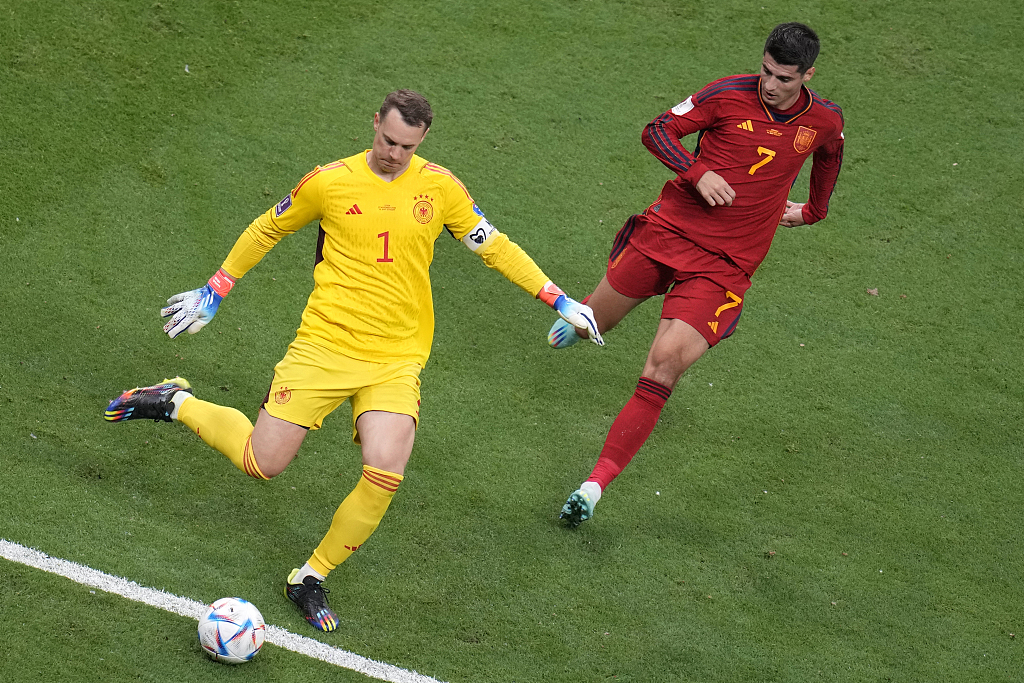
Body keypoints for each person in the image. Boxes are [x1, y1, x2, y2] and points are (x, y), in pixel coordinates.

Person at [104, 90, 602, 631]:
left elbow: (494, 246)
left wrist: (559, 297)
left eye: (407, 146)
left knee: (386, 469)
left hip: (396, 357)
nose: (394, 153)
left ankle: (309, 577)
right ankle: (177, 402)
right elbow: (269, 226)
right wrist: (216, 288)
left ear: (423, 140)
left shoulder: (441, 188)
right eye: (388, 140)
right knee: (262, 463)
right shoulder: (330, 182)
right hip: (325, 346)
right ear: (374, 125)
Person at [552, 23, 844, 527]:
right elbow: (656, 130)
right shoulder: (725, 94)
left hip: (725, 267)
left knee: (662, 367)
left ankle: (592, 487)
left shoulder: (822, 119)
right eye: (767, 71)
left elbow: (830, 154)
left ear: (808, 75)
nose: (771, 85)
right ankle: (584, 322)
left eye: (785, 78)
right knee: (591, 323)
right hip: (667, 233)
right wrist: (696, 171)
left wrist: (813, 211)